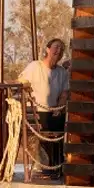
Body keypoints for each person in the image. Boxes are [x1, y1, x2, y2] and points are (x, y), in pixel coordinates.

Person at [18, 38, 70, 176]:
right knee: (46, 124)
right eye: (56, 47)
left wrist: (59, 108)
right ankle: (46, 166)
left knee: (63, 122)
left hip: (53, 111)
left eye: (61, 49)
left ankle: (56, 167)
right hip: (36, 112)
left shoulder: (62, 72)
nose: (58, 51)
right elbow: (21, 82)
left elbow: (64, 94)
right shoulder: (35, 66)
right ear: (47, 49)